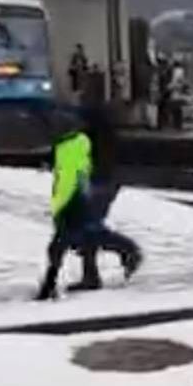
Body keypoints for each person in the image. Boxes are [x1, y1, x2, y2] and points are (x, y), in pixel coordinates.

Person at [36, 108, 141, 300]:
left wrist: (72, 199)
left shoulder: (81, 141)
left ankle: (126, 250)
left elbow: (76, 174)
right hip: (87, 192)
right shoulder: (75, 140)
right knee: (87, 235)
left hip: (86, 193)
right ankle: (94, 273)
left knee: (79, 236)